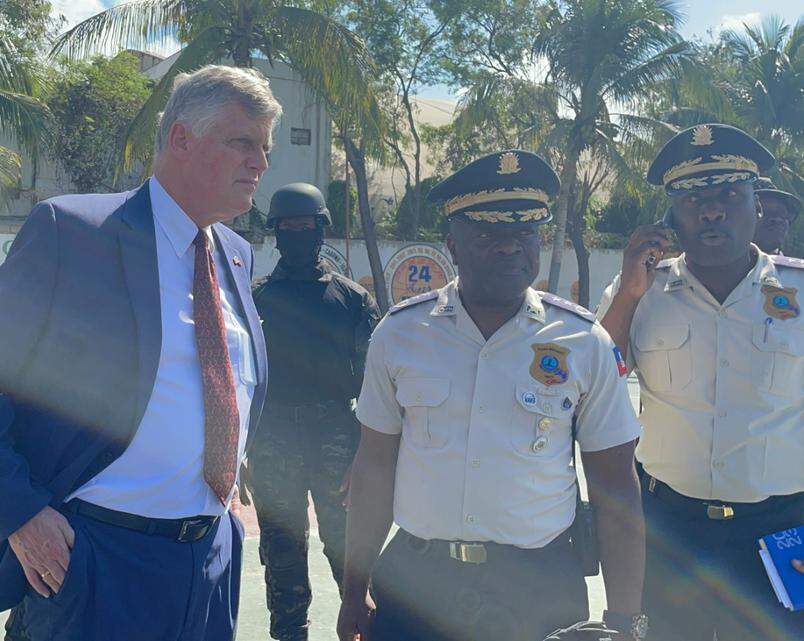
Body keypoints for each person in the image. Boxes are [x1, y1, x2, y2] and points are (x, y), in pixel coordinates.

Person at [0, 64, 276, 641]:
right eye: (242, 142)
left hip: (210, 555)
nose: (260, 163)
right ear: (181, 139)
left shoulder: (235, 253)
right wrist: (18, 512)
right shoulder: (76, 231)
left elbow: (217, 381)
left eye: (264, 147)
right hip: (97, 556)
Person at [339, 150, 646, 641]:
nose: (510, 248)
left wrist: (626, 620)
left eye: (524, 232)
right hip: (418, 584)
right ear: (452, 245)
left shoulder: (584, 342)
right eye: (489, 234)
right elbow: (375, 467)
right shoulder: (399, 334)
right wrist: (354, 588)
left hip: (538, 589)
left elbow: (616, 489)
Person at [597, 123, 804, 641]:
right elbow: (593, 383)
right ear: (672, 218)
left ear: (757, 206)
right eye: (693, 200)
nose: (711, 211)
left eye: (730, 195)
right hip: (672, 527)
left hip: (779, 531)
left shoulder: (799, 291)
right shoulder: (640, 290)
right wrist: (628, 295)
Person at [247, 182, 379, 641]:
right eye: (289, 227)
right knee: (282, 553)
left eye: (307, 226)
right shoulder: (255, 299)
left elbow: (376, 386)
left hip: (336, 436)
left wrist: (364, 452)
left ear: (321, 229)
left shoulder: (353, 301)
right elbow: (241, 380)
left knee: (347, 554)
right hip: (272, 436)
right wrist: (242, 448)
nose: (298, 234)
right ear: (276, 233)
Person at [753, 177, 802, 256]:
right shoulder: (727, 265)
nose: (777, 220)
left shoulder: (792, 267)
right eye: (766, 212)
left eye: (782, 214)